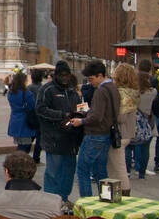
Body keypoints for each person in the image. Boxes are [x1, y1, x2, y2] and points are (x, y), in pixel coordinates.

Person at [36, 61, 81, 202]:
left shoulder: (72, 91)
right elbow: (40, 109)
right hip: (54, 138)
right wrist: (61, 115)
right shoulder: (47, 89)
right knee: (53, 172)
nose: (65, 78)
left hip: (70, 138)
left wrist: (80, 115)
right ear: (56, 75)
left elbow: (78, 108)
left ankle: (64, 198)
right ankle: (51, 200)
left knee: (68, 172)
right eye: (61, 75)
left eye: (67, 75)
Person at [75, 61, 118, 200]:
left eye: (91, 79)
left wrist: (81, 120)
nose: (90, 82)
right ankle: (106, 200)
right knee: (101, 172)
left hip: (94, 134)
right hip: (106, 134)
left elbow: (96, 116)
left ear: (100, 75)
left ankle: (87, 203)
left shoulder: (100, 91)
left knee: (82, 170)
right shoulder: (113, 87)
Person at [111, 63, 140, 194]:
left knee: (118, 167)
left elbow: (121, 118)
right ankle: (118, 191)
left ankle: (124, 192)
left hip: (120, 133)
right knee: (117, 165)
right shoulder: (133, 92)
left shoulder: (122, 93)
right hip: (127, 133)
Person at [4, 72, 36, 154]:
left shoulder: (10, 93)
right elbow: (32, 107)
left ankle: (19, 161)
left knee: (20, 144)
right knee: (24, 147)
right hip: (25, 121)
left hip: (14, 119)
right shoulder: (27, 93)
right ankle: (17, 162)